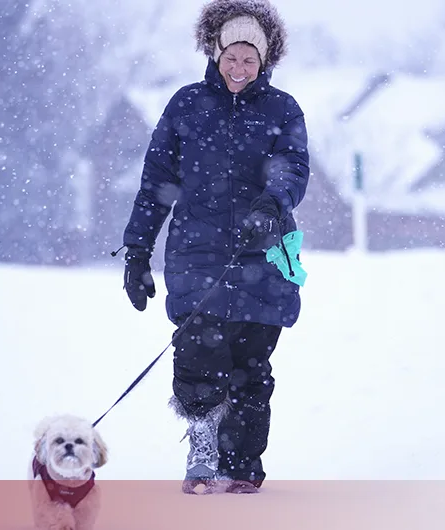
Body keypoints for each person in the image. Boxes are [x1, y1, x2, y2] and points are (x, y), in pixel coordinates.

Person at [118, 0, 309, 495]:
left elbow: (293, 169)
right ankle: (203, 450)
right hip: (195, 257)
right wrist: (138, 251)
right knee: (199, 360)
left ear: (264, 61)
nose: (240, 68)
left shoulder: (282, 110)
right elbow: (157, 182)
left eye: (250, 59)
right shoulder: (186, 105)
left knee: (251, 369)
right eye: (232, 56)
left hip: (263, 257)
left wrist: (271, 205)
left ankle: (242, 464)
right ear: (216, 51)